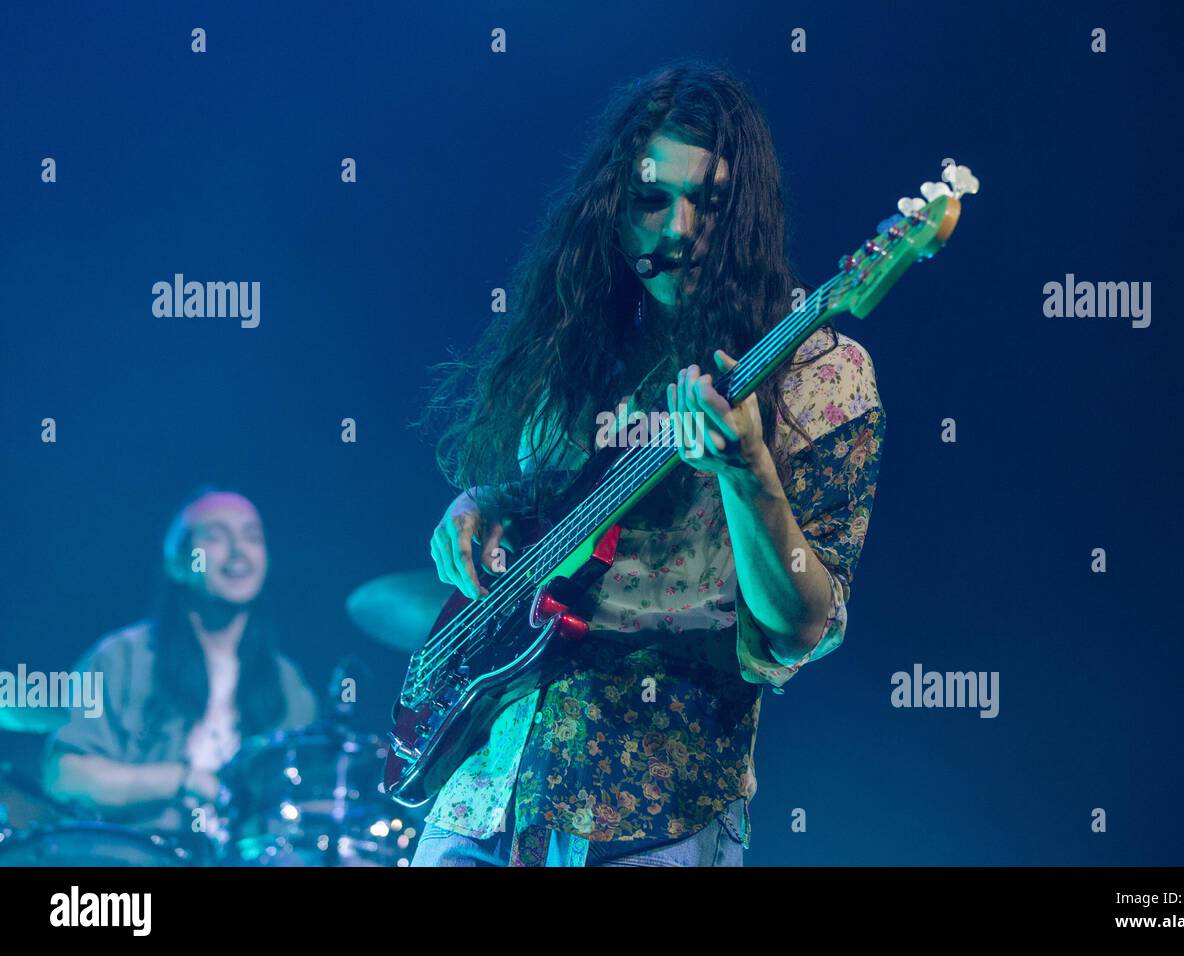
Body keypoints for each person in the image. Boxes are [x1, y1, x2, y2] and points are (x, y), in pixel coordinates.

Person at [412, 61, 885, 867]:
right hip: (488, 787)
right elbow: (541, 504)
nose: (676, 229)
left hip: (655, 810)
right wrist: (478, 506)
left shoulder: (821, 376)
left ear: (748, 212)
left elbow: (802, 625)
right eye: (650, 200)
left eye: (708, 202)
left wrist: (746, 472)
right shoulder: (580, 339)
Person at [43, 488, 317, 841]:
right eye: (216, 536)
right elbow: (65, 778)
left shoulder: (288, 684)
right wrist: (183, 780)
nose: (239, 550)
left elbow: (307, 801)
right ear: (177, 562)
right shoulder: (122, 657)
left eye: (252, 536)